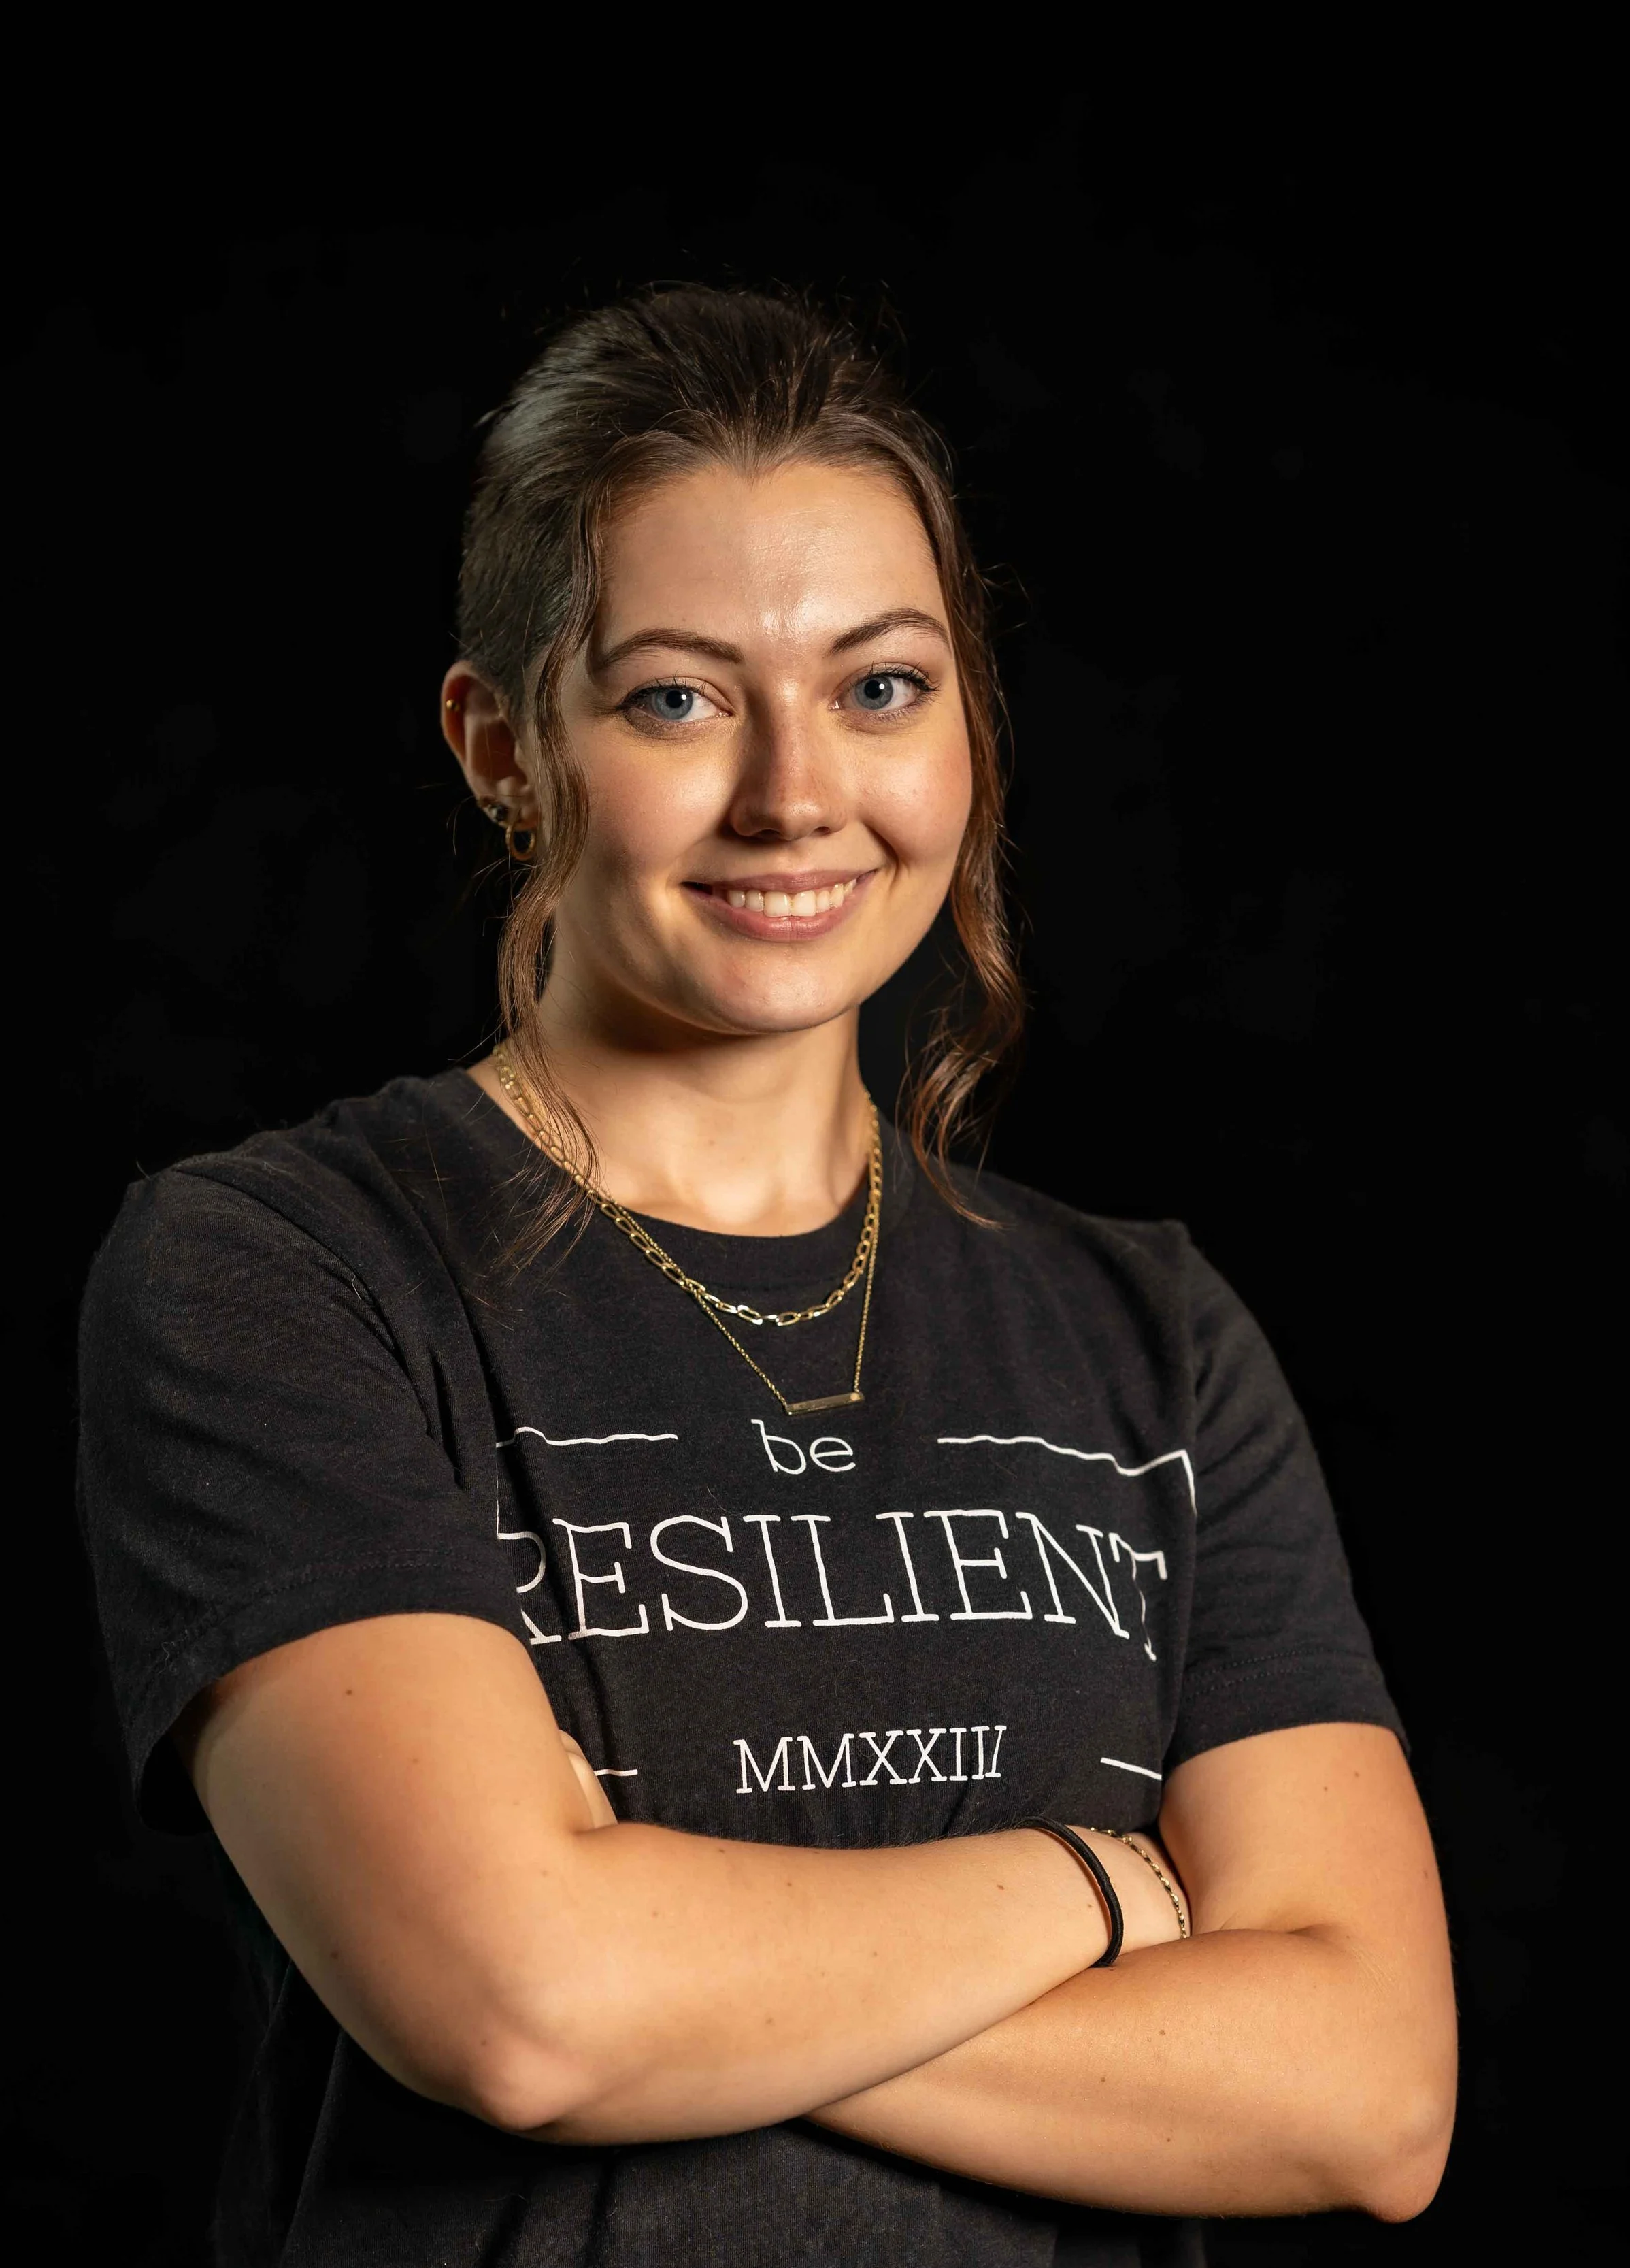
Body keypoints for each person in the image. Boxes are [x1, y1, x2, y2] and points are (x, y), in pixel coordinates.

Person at [77, 287, 1455, 2268]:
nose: (796, 794)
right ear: (500, 746)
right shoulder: (279, 1273)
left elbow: (1371, 2087)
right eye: (675, 695)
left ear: (968, 713)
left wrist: (655, 1948)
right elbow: (522, 2008)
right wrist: (1107, 1881)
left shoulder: (1150, 1338)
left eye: (880, 685)